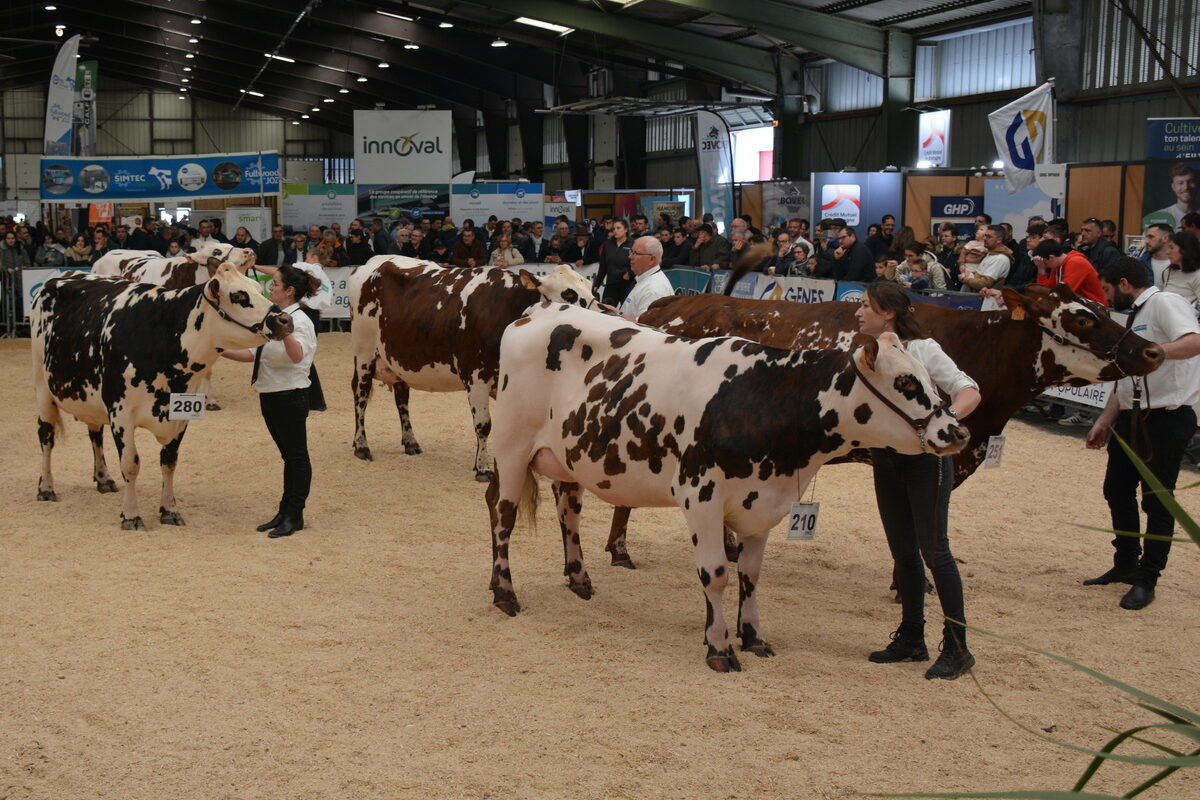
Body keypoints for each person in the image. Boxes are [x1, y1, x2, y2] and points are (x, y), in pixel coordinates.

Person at [856, 281, 981, 680]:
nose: (858, 312)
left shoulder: (923, 350)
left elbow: (968, 389)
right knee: (903, 553)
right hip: (886, 457)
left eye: (866, 306)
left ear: (888, 313)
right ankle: (912, 637)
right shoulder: (865, 354)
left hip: (927, 460)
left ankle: (959, 647)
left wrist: (945, 423)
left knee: (935, 551)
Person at [1084, 257, 1200, 609]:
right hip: (1132, 417)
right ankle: (1125, 564)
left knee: (1157, 500)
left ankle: (1147, 578)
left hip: (1167, 417)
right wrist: (1104, 420)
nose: (1105, 297)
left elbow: (1195, 340)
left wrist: (1159, 350)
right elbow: (1126, 378)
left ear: (1123, 282)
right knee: (1116, 489)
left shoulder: (1164, 302)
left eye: (1106, 289)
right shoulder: (1132, 315)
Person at [221, 265, 319, 538]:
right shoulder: (275, 316)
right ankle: (284, 511)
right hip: (270, 393)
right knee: (288, 456)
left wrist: (285, 333)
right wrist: (216, 348)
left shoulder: (300, 320)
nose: (270, 287)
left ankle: (294, 514)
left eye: (275, 284)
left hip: (290, 394)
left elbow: (298, 356)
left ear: (289, 291)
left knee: (297, 457)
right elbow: (252, 354)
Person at [612, 235, 673, 321]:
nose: (630, 257)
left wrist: (617, 314)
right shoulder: (645, 279)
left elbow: (645, 327)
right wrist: (616, 313)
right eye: (631, 252)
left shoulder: (653, 289)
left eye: (636, 253)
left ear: (651, 259)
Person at [1032, 239, 1105, 304]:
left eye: (1045, 263)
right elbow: (1047, 289)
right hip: (1079, 305)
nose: (1046, 266)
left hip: (1096, 306)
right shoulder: (1057, 264)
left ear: (1051, 257)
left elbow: (1063, 294)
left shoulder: (1076, 262)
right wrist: (1041, 270)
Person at [1144, 162, 1198, 229]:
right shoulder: (1159, 217)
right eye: (1180, 183)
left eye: (1190, 182)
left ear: (1197, 184)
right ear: (1173, 187)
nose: (1186, 187)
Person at [595, 218, 636, 306]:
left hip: (627, 284)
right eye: (613, 229)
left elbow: (638, 263)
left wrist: (630, 273)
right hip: (611, 283)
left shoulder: (633, 244)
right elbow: (603, 267)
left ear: (625, 229)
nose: (615, 231)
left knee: (627, 312)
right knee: (606, 311)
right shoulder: (607, 244)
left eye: (618, 228)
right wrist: (596, 284)